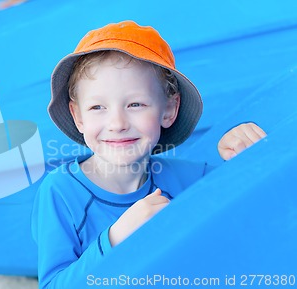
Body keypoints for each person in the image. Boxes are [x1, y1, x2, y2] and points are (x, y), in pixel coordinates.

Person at [31, 21, 267, 288]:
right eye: (98, 107)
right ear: (78, 116)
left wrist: (238, 151)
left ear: (168, 109)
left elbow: (246, 195)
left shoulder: (187, 178)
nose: (117, 123)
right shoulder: (61, 192)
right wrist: (115, 239)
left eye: (135, 104)